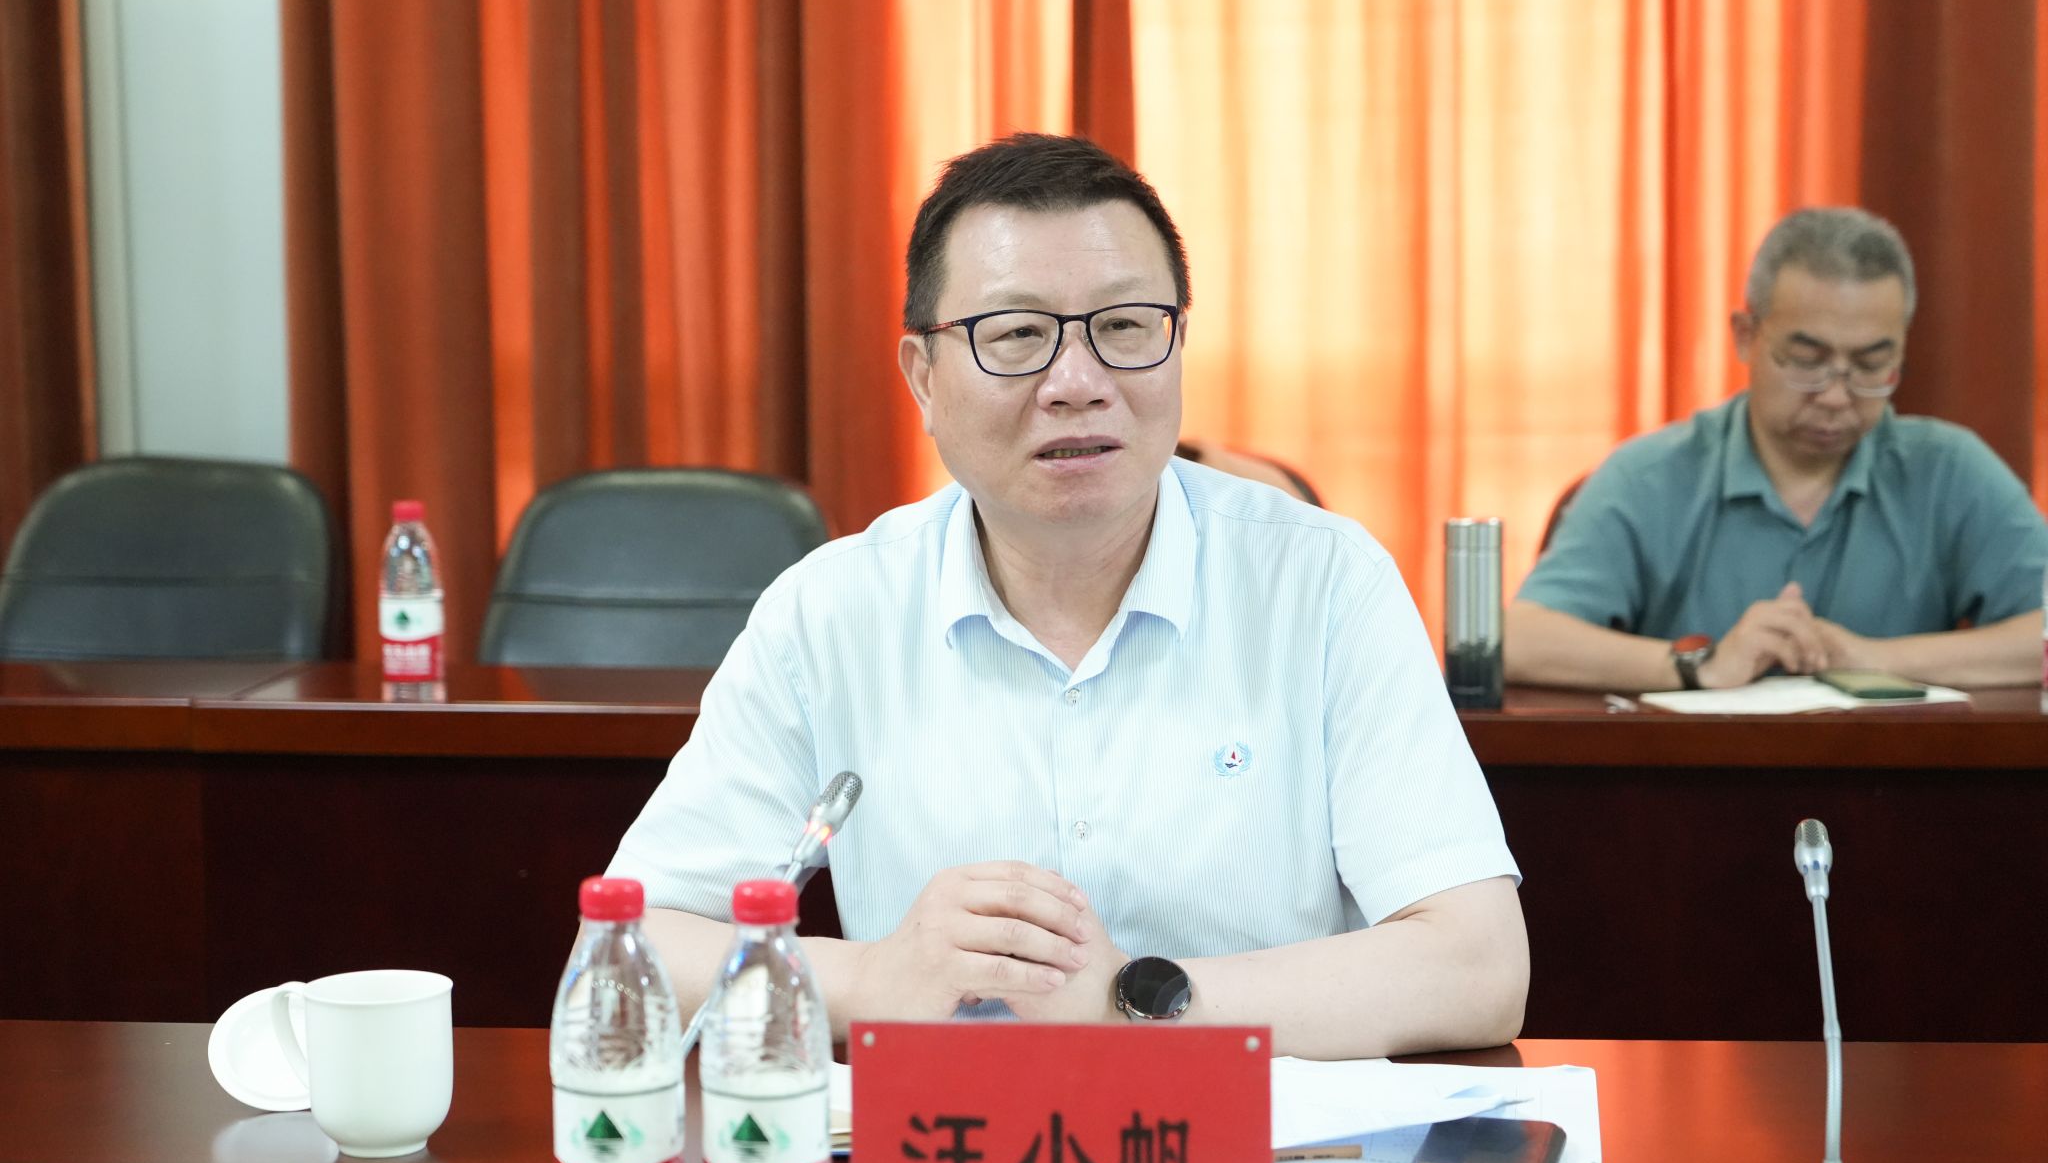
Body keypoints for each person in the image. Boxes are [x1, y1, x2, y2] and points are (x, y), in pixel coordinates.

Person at [610, 133, 1525, 1060]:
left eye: (1124, 326)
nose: (1078, 384)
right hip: (948, 1144)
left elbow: (1479, 965)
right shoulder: (830, 612)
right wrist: (874, 980)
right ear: (923, 378)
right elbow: (630, 945)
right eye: (1016, 335)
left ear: (1177, 344)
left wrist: (1133, 998)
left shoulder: (1323, 582)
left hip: (1258, 1147)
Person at [1507, 206, 2048, 694]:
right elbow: (1519, 639)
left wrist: (1876, 658)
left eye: (1870, 365)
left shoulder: (1949, 472)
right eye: (1807, 360)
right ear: (1746, 335)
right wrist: (1701, 664)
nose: (1836, 396)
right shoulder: (1649, 477)